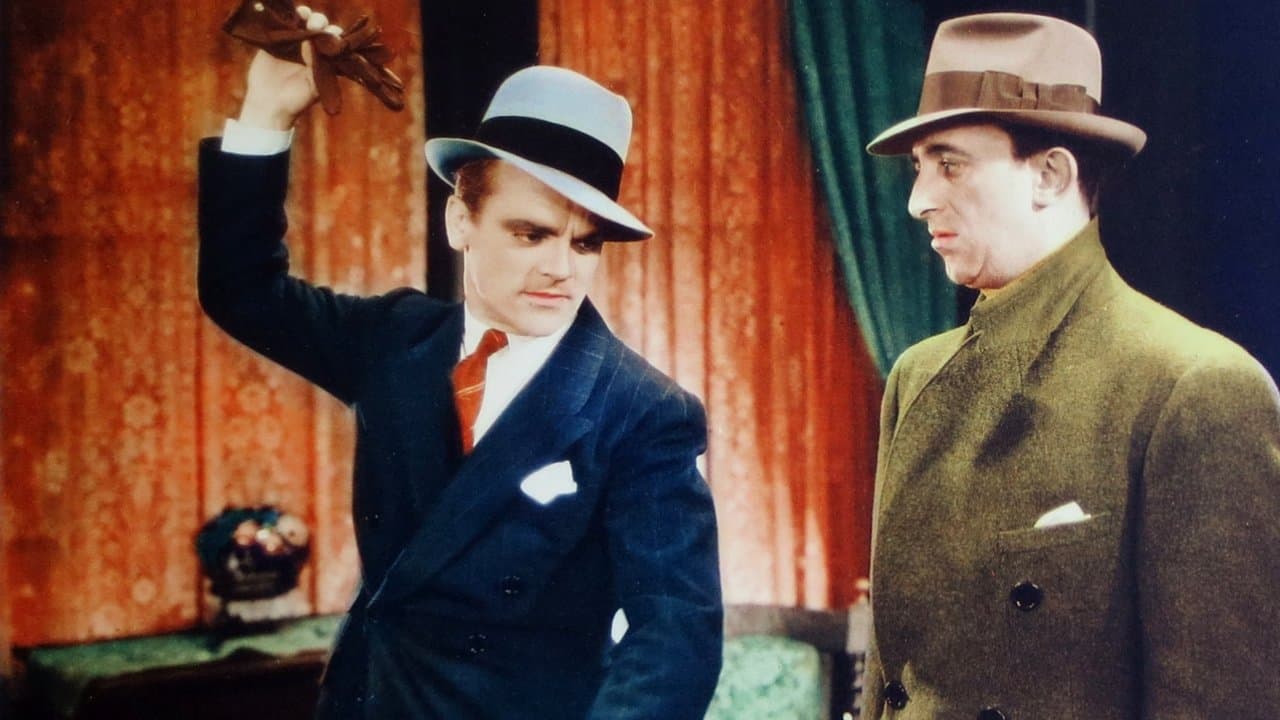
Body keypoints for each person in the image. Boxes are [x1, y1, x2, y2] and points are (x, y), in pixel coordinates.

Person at [197, 26, 722, 720]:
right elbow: (243, 292)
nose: (560, 269)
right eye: (530, 233)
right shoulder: (395, 341)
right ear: (459, 221)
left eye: (585, 244)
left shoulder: (644, 410)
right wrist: (266, 109)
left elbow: (675, 638)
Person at [859, 13, 1280, 720]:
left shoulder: (1193, 386)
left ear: (1050, 174)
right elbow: (889, 679)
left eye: (950, 164)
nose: (918, 200)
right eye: (918, 167)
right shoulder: (916, 377)